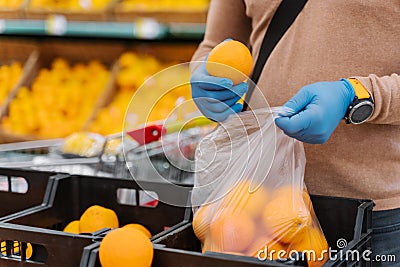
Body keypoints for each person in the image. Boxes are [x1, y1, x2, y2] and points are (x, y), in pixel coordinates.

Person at [190, 1, 400, 266]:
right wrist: (204, 76)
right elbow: (214, 44)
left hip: (371, 217)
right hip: (248, 201)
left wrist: (359, 96)